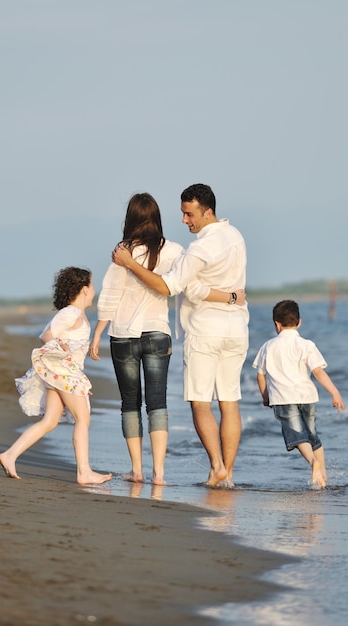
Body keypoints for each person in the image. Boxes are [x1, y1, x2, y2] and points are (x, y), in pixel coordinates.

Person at [112, 183, 248, 488]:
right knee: (229, 401)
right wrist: (229, 298)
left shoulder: (200, 248)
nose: (186, 220)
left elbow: (168, 286)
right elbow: (201, 288)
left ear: (208, 211)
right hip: (237, 329)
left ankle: (217, 467)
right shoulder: (236, 237)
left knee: (200, 403)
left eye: (189, 214)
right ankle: (227, 473)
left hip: (205, 331)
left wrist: (130, 263)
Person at [89, 193, 184, 486]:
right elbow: (182, 286)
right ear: (157, 218)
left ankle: (137, 470)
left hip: (123, 335)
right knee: (157, 403)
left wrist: (97, 332)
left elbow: (110, 294)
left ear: (130, 218)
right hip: (158, 332)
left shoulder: (122, 253)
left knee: (130, 403)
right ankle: (159, 473)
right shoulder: (174, 250)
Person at [0, 267, 112, 485]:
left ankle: (10, 455)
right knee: (82, 419)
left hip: (62, 374)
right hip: (64, 373)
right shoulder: (70, 313)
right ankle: (84, 472)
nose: (95, 291)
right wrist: (59, 347)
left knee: (50, 421)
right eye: (93, 286)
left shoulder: (75, 314)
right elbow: (46, 334)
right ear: (85, 289)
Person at [252, 299, 345, 488]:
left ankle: (313, 463)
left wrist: (265, 396)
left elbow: (260, 375)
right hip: (307, 397)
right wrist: (335, 392)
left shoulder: (268, 346)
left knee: (297, 436)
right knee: (312, 435)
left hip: (283, 399)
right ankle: (323, 477)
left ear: (276, 324)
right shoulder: (307, 345)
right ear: (299, 322)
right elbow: (318, 372)